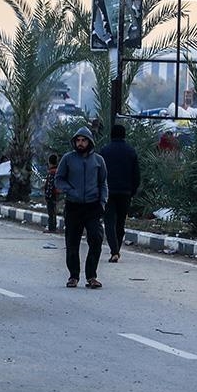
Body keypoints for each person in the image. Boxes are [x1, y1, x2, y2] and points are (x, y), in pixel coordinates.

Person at [55, 126, 108, 289]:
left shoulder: (98, 161)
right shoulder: (68, 159)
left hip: (92, 207)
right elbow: (59, 179)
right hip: (73, 206)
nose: (80, 143)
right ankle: (73, 276)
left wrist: (103, 202)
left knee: (96, 238)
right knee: (72, 242)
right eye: (77, 140)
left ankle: (91, 276)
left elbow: (103, 183)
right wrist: (70, 190)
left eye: (83, 140)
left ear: (89, 141)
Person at [100, 124, 140, 264]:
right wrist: (132, 190)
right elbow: (136, 174)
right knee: (120, 222)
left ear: (111, 135)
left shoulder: (105, 151)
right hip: (125, 192)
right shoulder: (131, 151)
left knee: (109, 221)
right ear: (124, 135)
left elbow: (100, 173)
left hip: (108, 191)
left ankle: (114, 250)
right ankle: (117, 249)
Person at [43, 153, 60, 233]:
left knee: (51, 212)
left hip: (51, 195)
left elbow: (50, 185)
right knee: (54, 211)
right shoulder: (57, 171)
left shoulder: (51, 172)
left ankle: (51, 228)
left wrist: (47, 195)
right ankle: (54, 226)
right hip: (56, 194)